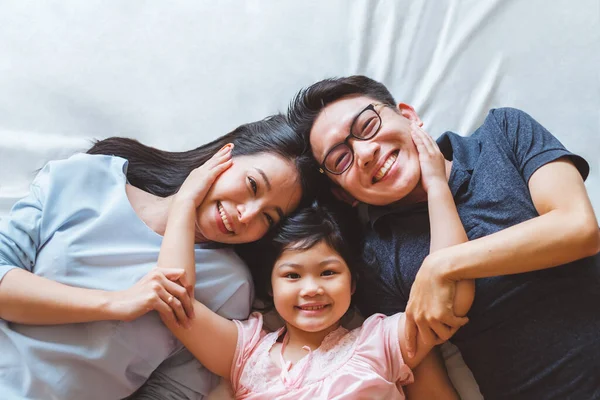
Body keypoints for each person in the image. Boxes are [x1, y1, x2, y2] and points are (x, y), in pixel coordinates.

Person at [286, 75, 600, 399]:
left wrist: (441, 266)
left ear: (408, 116)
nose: (365, 152)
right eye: (341, 159)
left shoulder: (503, 132)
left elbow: (578, 228)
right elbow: (426, 379)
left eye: (368, 126)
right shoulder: (374, 261)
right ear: (343, 194)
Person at [0, 114, 319, 400]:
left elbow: (175, 390)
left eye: (268, 218)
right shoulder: (84, 178)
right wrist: (115, 303)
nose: (246, 215)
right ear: (225, 154)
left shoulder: (229, 285)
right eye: (251, 185)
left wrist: (183, 207)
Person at [155, 125, 474, 399]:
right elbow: (174, 301)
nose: (312, 289)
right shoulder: (246, 354)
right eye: (292, 275)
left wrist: (436, 186)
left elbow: (451, 295)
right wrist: (185, 202)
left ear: (353, 283)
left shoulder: (379, 343)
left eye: (329, 272)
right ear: (270, 283)